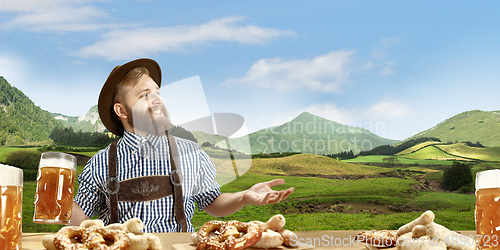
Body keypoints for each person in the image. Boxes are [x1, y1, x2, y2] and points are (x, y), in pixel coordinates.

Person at [72, 58, 294, 233]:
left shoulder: (191, 152)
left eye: (157, 92)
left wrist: (244, 196)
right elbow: (78, 220)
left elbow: (213, 203)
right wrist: (55, 201)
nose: (158, 99)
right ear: (121, 111)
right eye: (145, 95)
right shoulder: (100, 163)